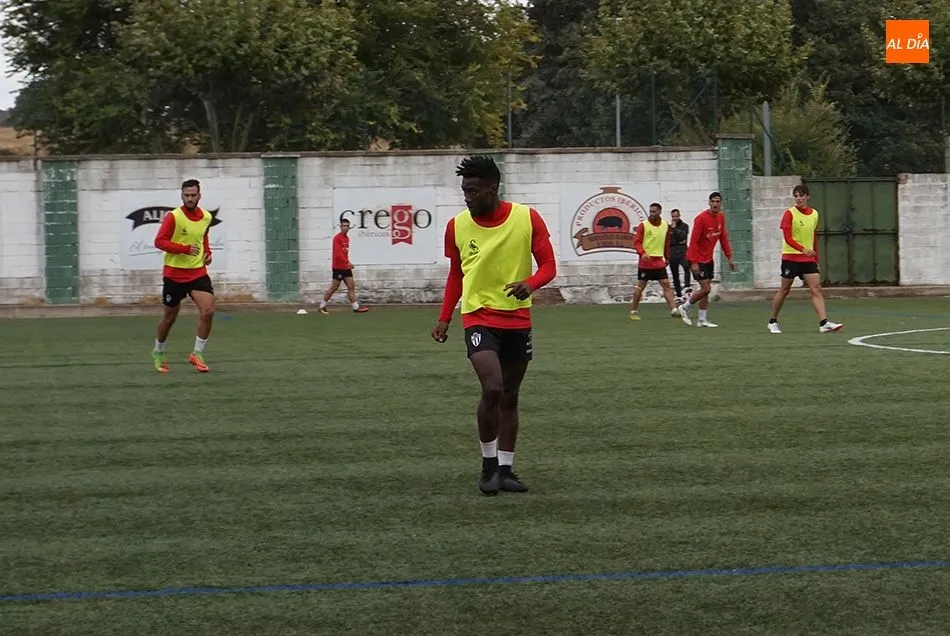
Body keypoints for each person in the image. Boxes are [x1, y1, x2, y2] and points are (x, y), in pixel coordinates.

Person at [431, 155, 557, 496]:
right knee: (493, 388)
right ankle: (488, 464)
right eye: (464, 191)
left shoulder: (527, 219)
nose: (467, 197)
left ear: (492, 187)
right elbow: (456, 274)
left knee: (511, 397)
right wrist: (445, 317)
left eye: (473, 190)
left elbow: (549, 266)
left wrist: (530, 284)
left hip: (517, 318)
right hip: (478, 316)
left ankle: (505, 469)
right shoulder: (457, 226)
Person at [152, 179, 216, 373]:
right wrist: (184, 249)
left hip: (197, 272)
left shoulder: (205, 217)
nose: (189, 199)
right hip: (174, 274)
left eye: (193, 195)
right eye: (186, 195)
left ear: (199, 195)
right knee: (169, 318)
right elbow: (159, 241)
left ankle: (197, 354)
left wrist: (207, 252)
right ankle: (159, 351)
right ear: (182, 195)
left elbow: (202, 236)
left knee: (208, 311)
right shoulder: (174, 217)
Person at [767, 184, 844, 334]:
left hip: (808, 259)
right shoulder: (789, 214)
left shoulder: (814, 214)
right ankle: (772, 321)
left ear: (807, 197)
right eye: (796, 196)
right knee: (784, 290)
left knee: (816, 289)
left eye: (801, 196)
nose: (798, 199)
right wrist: (803, 249)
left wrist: (816, 258)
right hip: (790, 258)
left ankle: (824, 323)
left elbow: (814, 236)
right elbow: (788, 238)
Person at [675, 192, 735, 327]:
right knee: (706, 288)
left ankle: (702, 320)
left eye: (718, 201)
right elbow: (694, 241)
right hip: (696, 258)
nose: (715, 204)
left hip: (708, 259)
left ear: (721, 203)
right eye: (713, 201)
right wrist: (694, 262)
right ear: (709, 203)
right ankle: (684, 307)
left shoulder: (721, 217)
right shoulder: (701, 219)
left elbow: (723, 238)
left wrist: (729, 257)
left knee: (706, 290)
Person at [629, 202, 679, 320]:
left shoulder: (665, 225)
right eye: (650, 211)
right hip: (646, 261)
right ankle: (633, 311)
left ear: (660, 212)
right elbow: (637, 242)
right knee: (641, 286)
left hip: (658, 261)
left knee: (666, 284)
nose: (651, 214)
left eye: (654, 211)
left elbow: (667, 243)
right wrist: (642, 253)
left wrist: (667, 257)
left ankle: (674, 310)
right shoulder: (643, 225)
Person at [319, 218, 369, 314]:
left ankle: (356, 308)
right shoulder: (337, 238)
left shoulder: (347, 238)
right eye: (344, 226)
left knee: (351, 286)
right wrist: (347, 262)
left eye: (347, 226)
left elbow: (344, 253)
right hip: (338, 267)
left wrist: (347, 263)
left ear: (349, 227)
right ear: (341, 227)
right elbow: (338, 254)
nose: (346, 228)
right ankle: (322, 306)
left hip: (345, 267)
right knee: (334, 287)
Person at [668, 208, 691, 301]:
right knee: (675, 274)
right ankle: (678, 294)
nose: (674, 218)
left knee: (686, 267)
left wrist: (675, 230)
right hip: (673, 253)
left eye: (676, 216)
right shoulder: (669, 228)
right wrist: (678, 240)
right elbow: (670, 241)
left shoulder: (684, 226)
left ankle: (687, 288)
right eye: (673, 216)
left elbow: (683, 236)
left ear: (679, 216)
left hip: (683, 251)